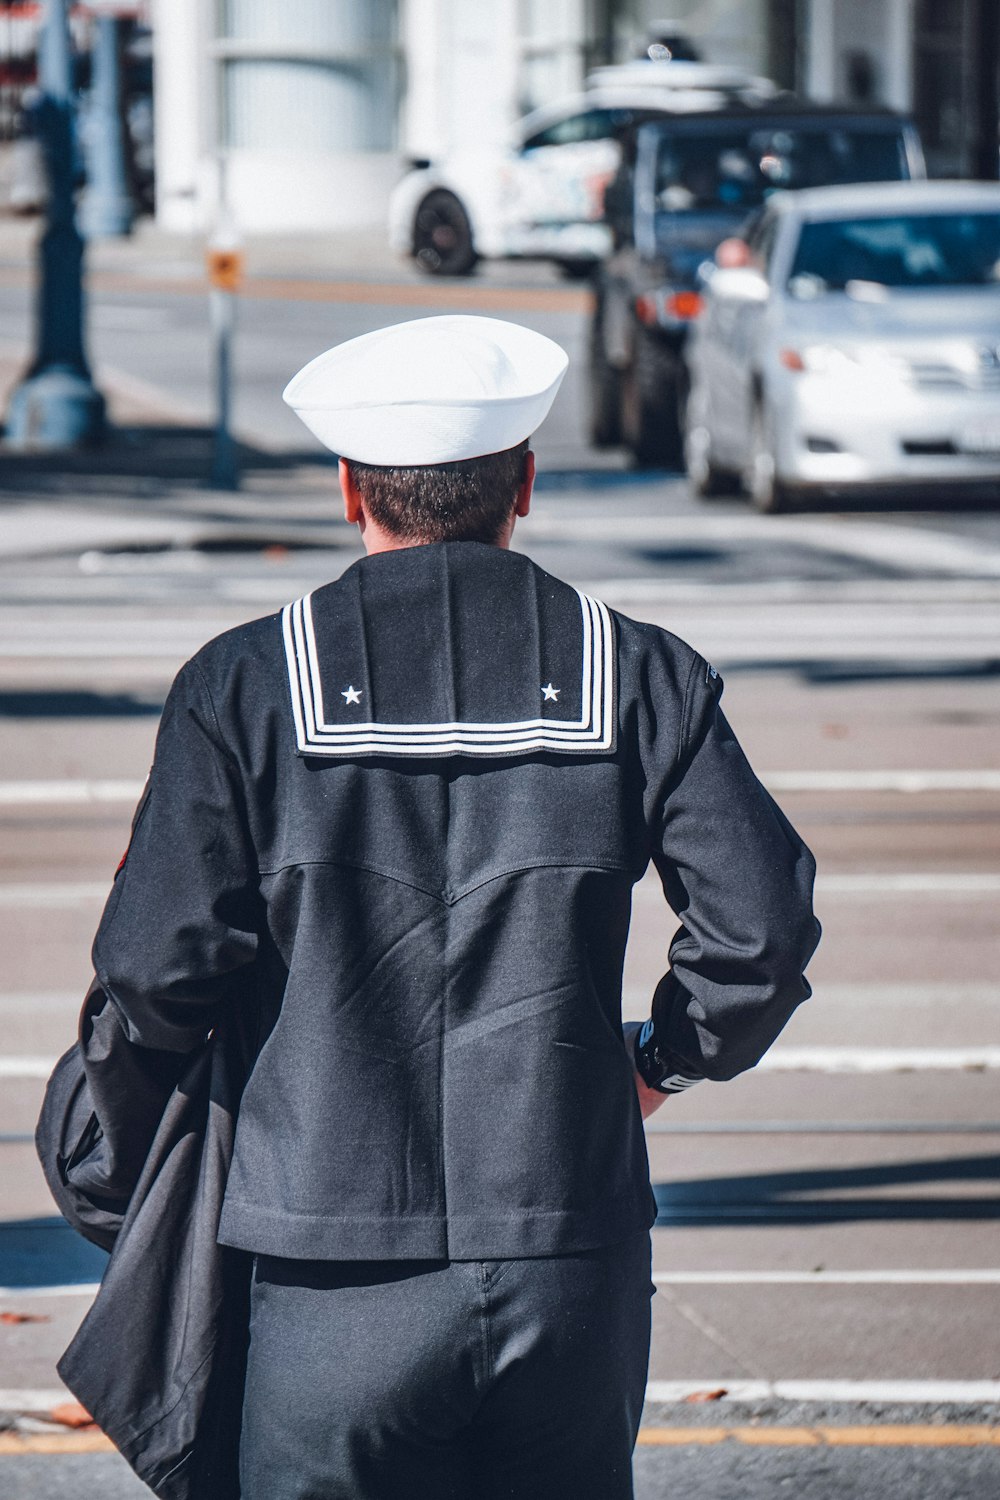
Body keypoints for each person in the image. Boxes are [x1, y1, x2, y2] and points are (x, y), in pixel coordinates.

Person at [86, 314, 819, 1499]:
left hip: (322, 1262)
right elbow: (763, 933)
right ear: (524, 483)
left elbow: (155, 971)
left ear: (347, 490)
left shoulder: (243, 683)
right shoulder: (638, 669)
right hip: (568, 1251)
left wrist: (124, 1143)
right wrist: (664, 1063)